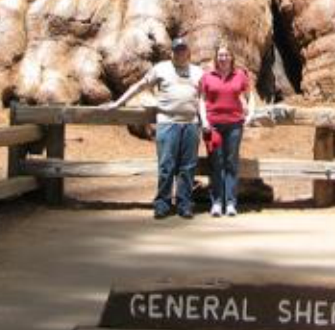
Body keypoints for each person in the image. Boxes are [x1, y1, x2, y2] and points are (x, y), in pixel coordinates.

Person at [107, 37, 202, 220]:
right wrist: (118, 103)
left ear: (188, 52)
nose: (180, 53)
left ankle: (184, 204)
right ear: (172, 52)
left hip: (190, 124)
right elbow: (140, 85)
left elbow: (208, 96)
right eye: (177, 50)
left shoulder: (197, 72)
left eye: (183, 50)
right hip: (167, 123)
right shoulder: (161, 68)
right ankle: (162, 204)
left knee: (187, 167)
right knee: (166, 165)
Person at [199, 41, 254, 217]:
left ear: (231, 58)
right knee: (216, 162)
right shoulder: (208, 76)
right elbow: (202, 99)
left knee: (231, 162)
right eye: (220, 55)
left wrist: (250, 114)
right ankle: (216, 202)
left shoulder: (240, 75)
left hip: (234, 125)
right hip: (213, 125)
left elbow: (249, 96)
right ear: (216, 58)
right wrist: (204, 120)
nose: (223, 58)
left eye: (226, 55)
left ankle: (230, 203)